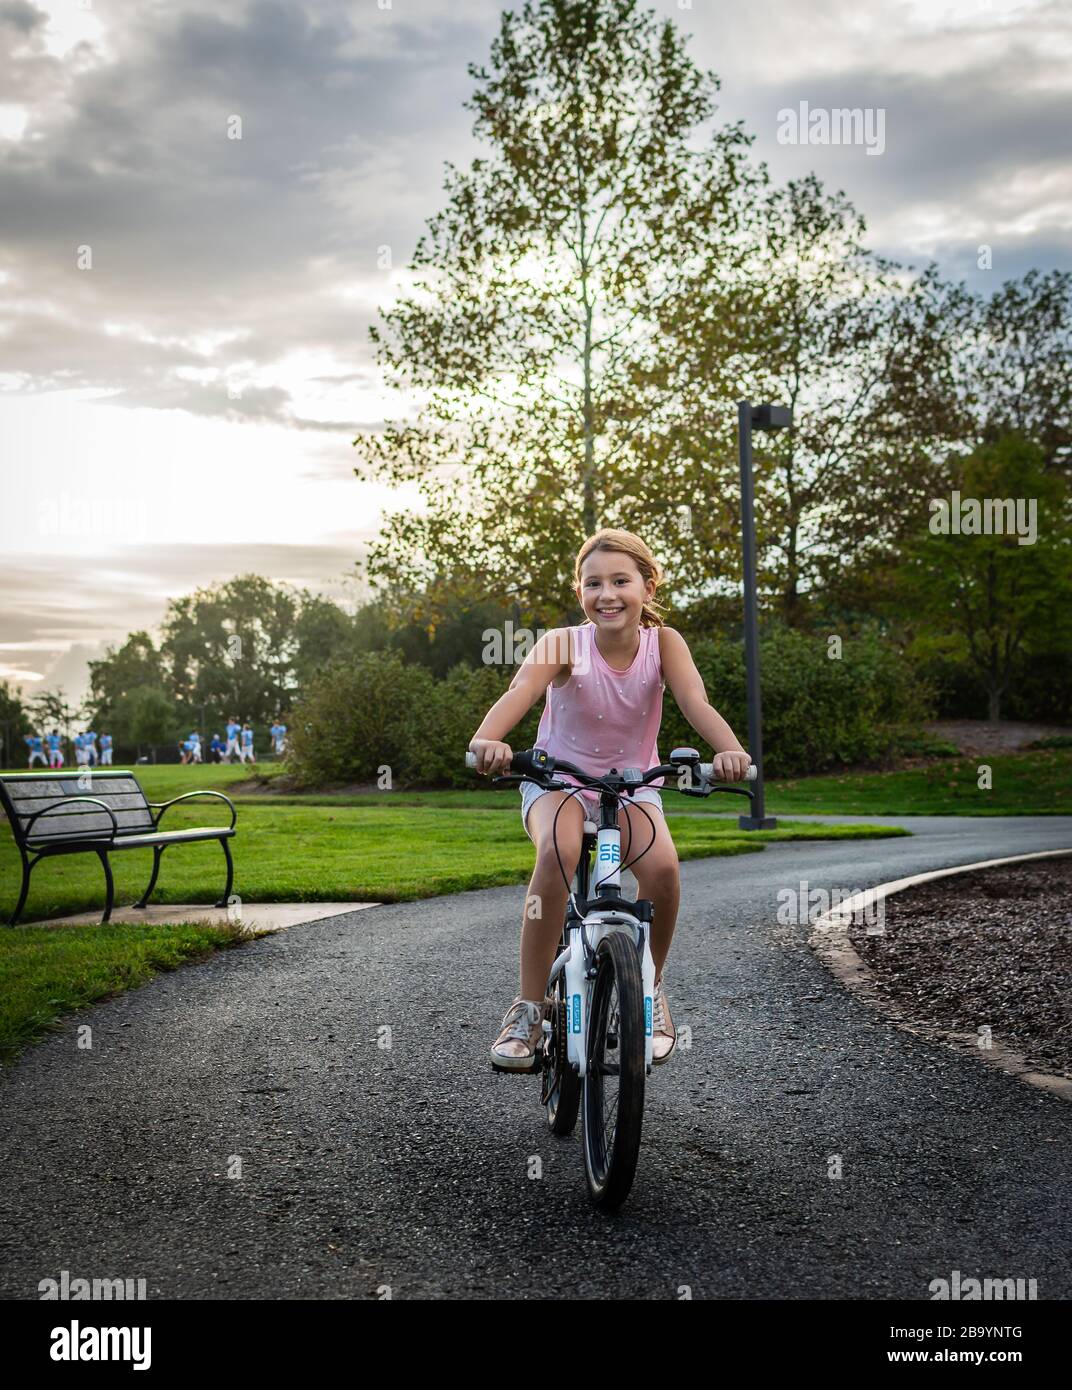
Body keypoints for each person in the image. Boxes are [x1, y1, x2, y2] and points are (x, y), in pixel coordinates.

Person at [468, 528, 751, 1072]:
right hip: (560, 780)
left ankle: (650, 988)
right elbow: (519, 693)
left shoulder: (665, 643)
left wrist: (731, 751)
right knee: (559, 853)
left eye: (621, 580)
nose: (608, 594)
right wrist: (489, 740)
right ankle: (527, 1008)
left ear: (647, 586)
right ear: (580, 594)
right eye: (593, 583)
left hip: (633, 784)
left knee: (664, 869)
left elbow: (695, 702)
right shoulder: (561, 643)